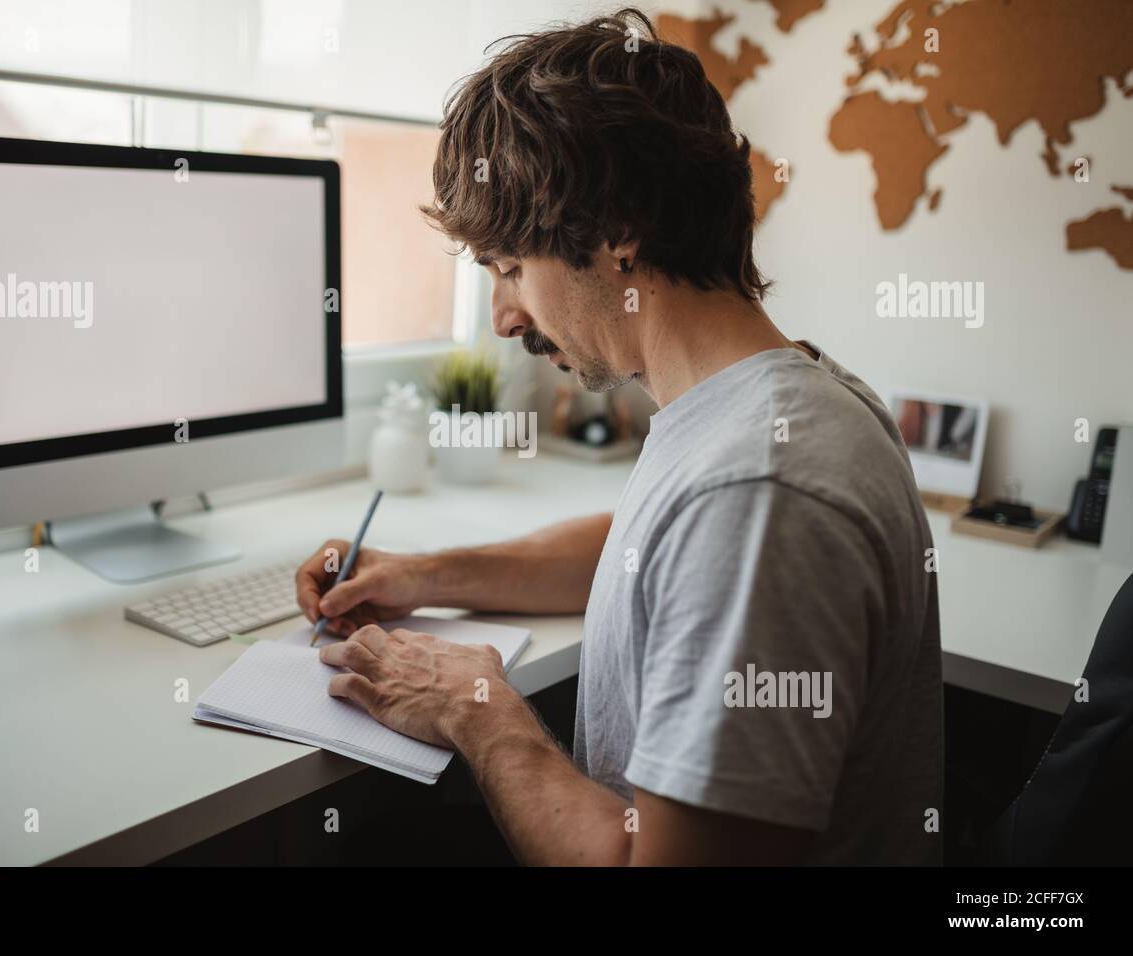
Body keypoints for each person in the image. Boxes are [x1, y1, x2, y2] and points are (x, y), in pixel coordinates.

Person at [294, 8, 942, 865]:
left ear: (617, 230)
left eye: (510, 268)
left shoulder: (757, 493)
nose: (503, 316)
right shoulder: (778, 400)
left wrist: (480, 710)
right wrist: (425, 574)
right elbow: (649, 558)